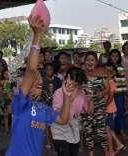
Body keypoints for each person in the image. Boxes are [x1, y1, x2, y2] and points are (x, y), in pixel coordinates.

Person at [6, 16, 75, 156]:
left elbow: (63, 120)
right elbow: (31, 70)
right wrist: (37, 35)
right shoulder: (20, 104)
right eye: (34, 83)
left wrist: (67, 98)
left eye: (40, 84)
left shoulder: (43, 108)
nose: (38, 84)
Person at [51, 67, 88, 156]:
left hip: (73, 128)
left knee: (73, 153)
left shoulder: (82, 93)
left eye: (78, 85)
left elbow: (87, 110)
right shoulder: (58, 93)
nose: (76, 88)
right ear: (67, 78)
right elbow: (58, 113)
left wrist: (91, 100)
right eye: (74, 84)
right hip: (59, 129)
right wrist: (69, 97)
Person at [82, 51, 110, 156]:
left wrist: (101, 93)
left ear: (96, 61)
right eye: (88, 60)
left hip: (99, 106)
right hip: (86, 106)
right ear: (84, 62)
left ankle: (106, 152)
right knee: (88, 130)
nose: (90, 62)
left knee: (100, 130)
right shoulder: (81, 75)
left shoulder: (102, 73)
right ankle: (91, 153)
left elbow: (107, 89)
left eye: (92, 60)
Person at [107, 49, 128, 140]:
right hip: (109, 94)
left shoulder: (121, 68)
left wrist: (125, 93)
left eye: (117, 56)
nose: (115, 57)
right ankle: (112, 132)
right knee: (111, 114)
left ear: (119, 57)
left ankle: (122, 131)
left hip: (119, 94)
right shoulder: (107, 68)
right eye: (113, 56)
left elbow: (123, 81)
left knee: (120, 112)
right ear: (110, 57)